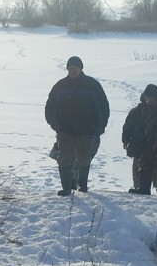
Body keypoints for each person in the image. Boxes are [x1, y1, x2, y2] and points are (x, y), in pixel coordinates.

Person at [44, 55, 110, 195]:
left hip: (86, 131)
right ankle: (66, 188)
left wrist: (99, 127)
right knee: (64, 159)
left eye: (75, 67)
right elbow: (50, 107)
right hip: (65, 131)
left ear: (81, 68)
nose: (73, 70)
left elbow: (103, 107)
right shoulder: (60, 86)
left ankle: (83, 187)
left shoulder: (92, 85)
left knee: (84, 159)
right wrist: (55, 125)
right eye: (70, 68)